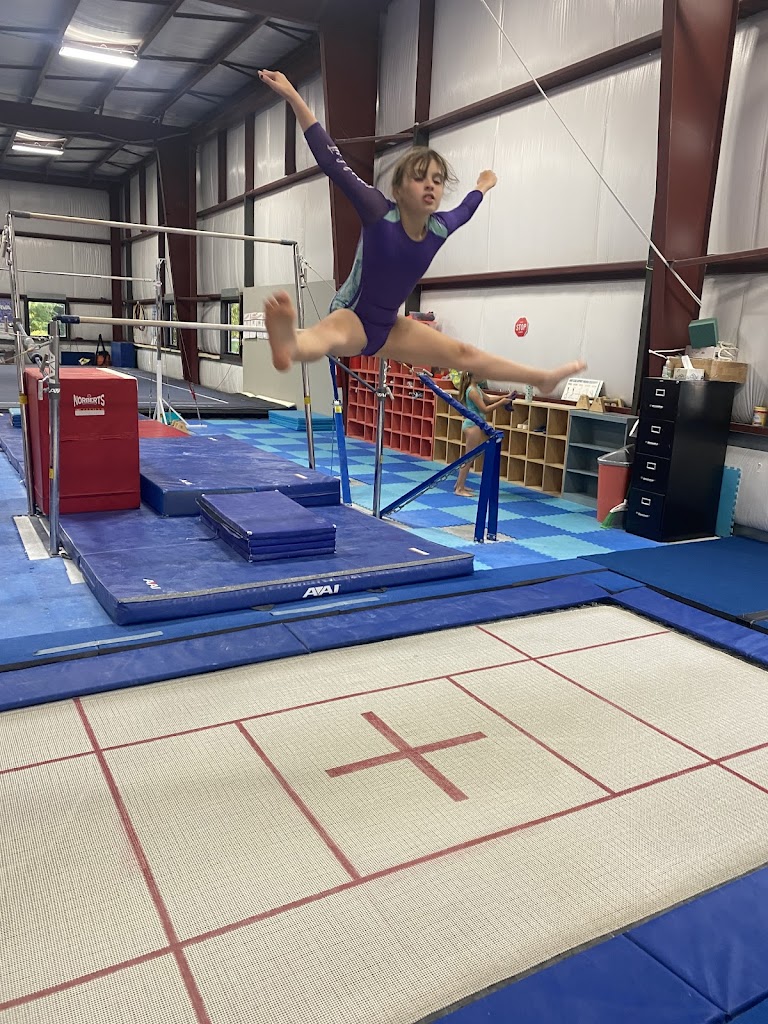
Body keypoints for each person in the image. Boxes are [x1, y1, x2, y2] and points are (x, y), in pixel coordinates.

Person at [257, 69, 586, 396]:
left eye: (437, 180)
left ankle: (540, 378)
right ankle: (289, 344)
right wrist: (293, 96)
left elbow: (466, 209)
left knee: (463, 354)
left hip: (390, 327)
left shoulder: (439, 228)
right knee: (326, 337)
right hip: (352, 314)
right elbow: (333, 162)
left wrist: (482, 187)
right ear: (398, 189)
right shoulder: (378, 211)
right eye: (419, 177)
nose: (430, 185)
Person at [454, 373, 512, 496]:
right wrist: (502, 402)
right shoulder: (472, 391)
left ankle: (459, 484)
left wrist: (505, 396)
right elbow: (485, 409)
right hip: (473, 426)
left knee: (471, 456)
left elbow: (489, 399)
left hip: (476, 425)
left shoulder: (476, 388)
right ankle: (459, 488)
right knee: (469, 457)